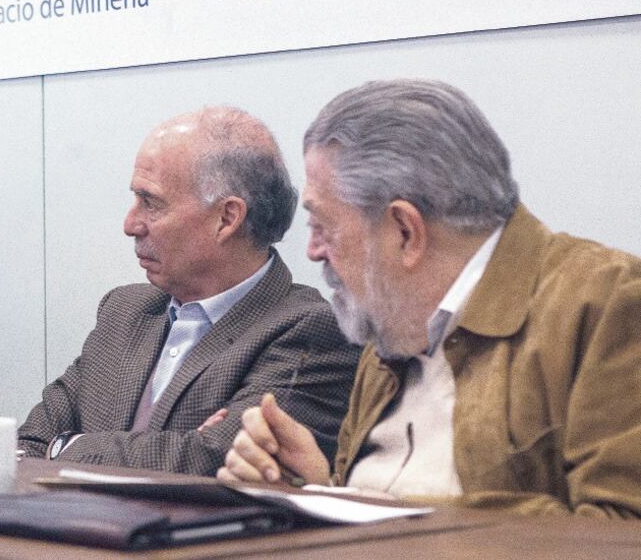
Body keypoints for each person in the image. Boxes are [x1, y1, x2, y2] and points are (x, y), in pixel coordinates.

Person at [218, 79, 641, 517]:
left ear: (404, 231)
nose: (313, 251)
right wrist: (313, 491)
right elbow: (372, 505)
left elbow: (623, 533)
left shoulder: (608, 303)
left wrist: (397, 515)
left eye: (322, 226)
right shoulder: (388, 325)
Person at [19, 106, 360, 475]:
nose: (130, 224)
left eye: (150, 202)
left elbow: (212, 460)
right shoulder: (124, 310)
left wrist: (65, 446)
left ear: (227, 218)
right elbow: (29, 442)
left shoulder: (311, 329)